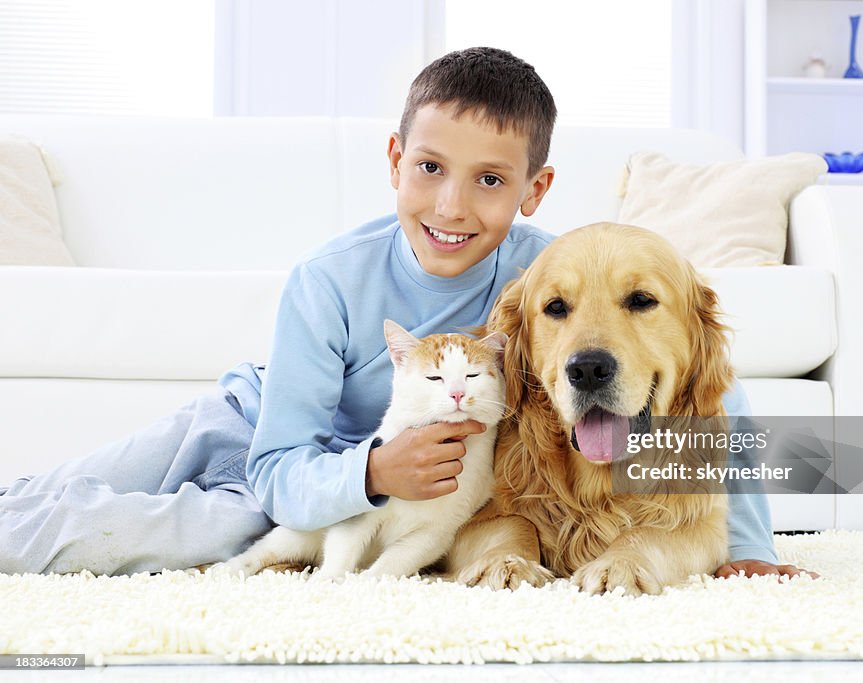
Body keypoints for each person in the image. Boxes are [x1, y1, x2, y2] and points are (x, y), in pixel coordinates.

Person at [0, 47, 804, 581]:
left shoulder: (555, 278)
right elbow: (281, 459)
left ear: (534, 190)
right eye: (429, 168)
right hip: (257, 429)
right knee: (57, 486)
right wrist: (375, 472)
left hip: (334, 494)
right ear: (395, 161)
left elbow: (711, 389)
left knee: (145, 536)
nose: (452, 205)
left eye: (491, 180)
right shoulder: (329, 279)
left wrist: (748, 548)